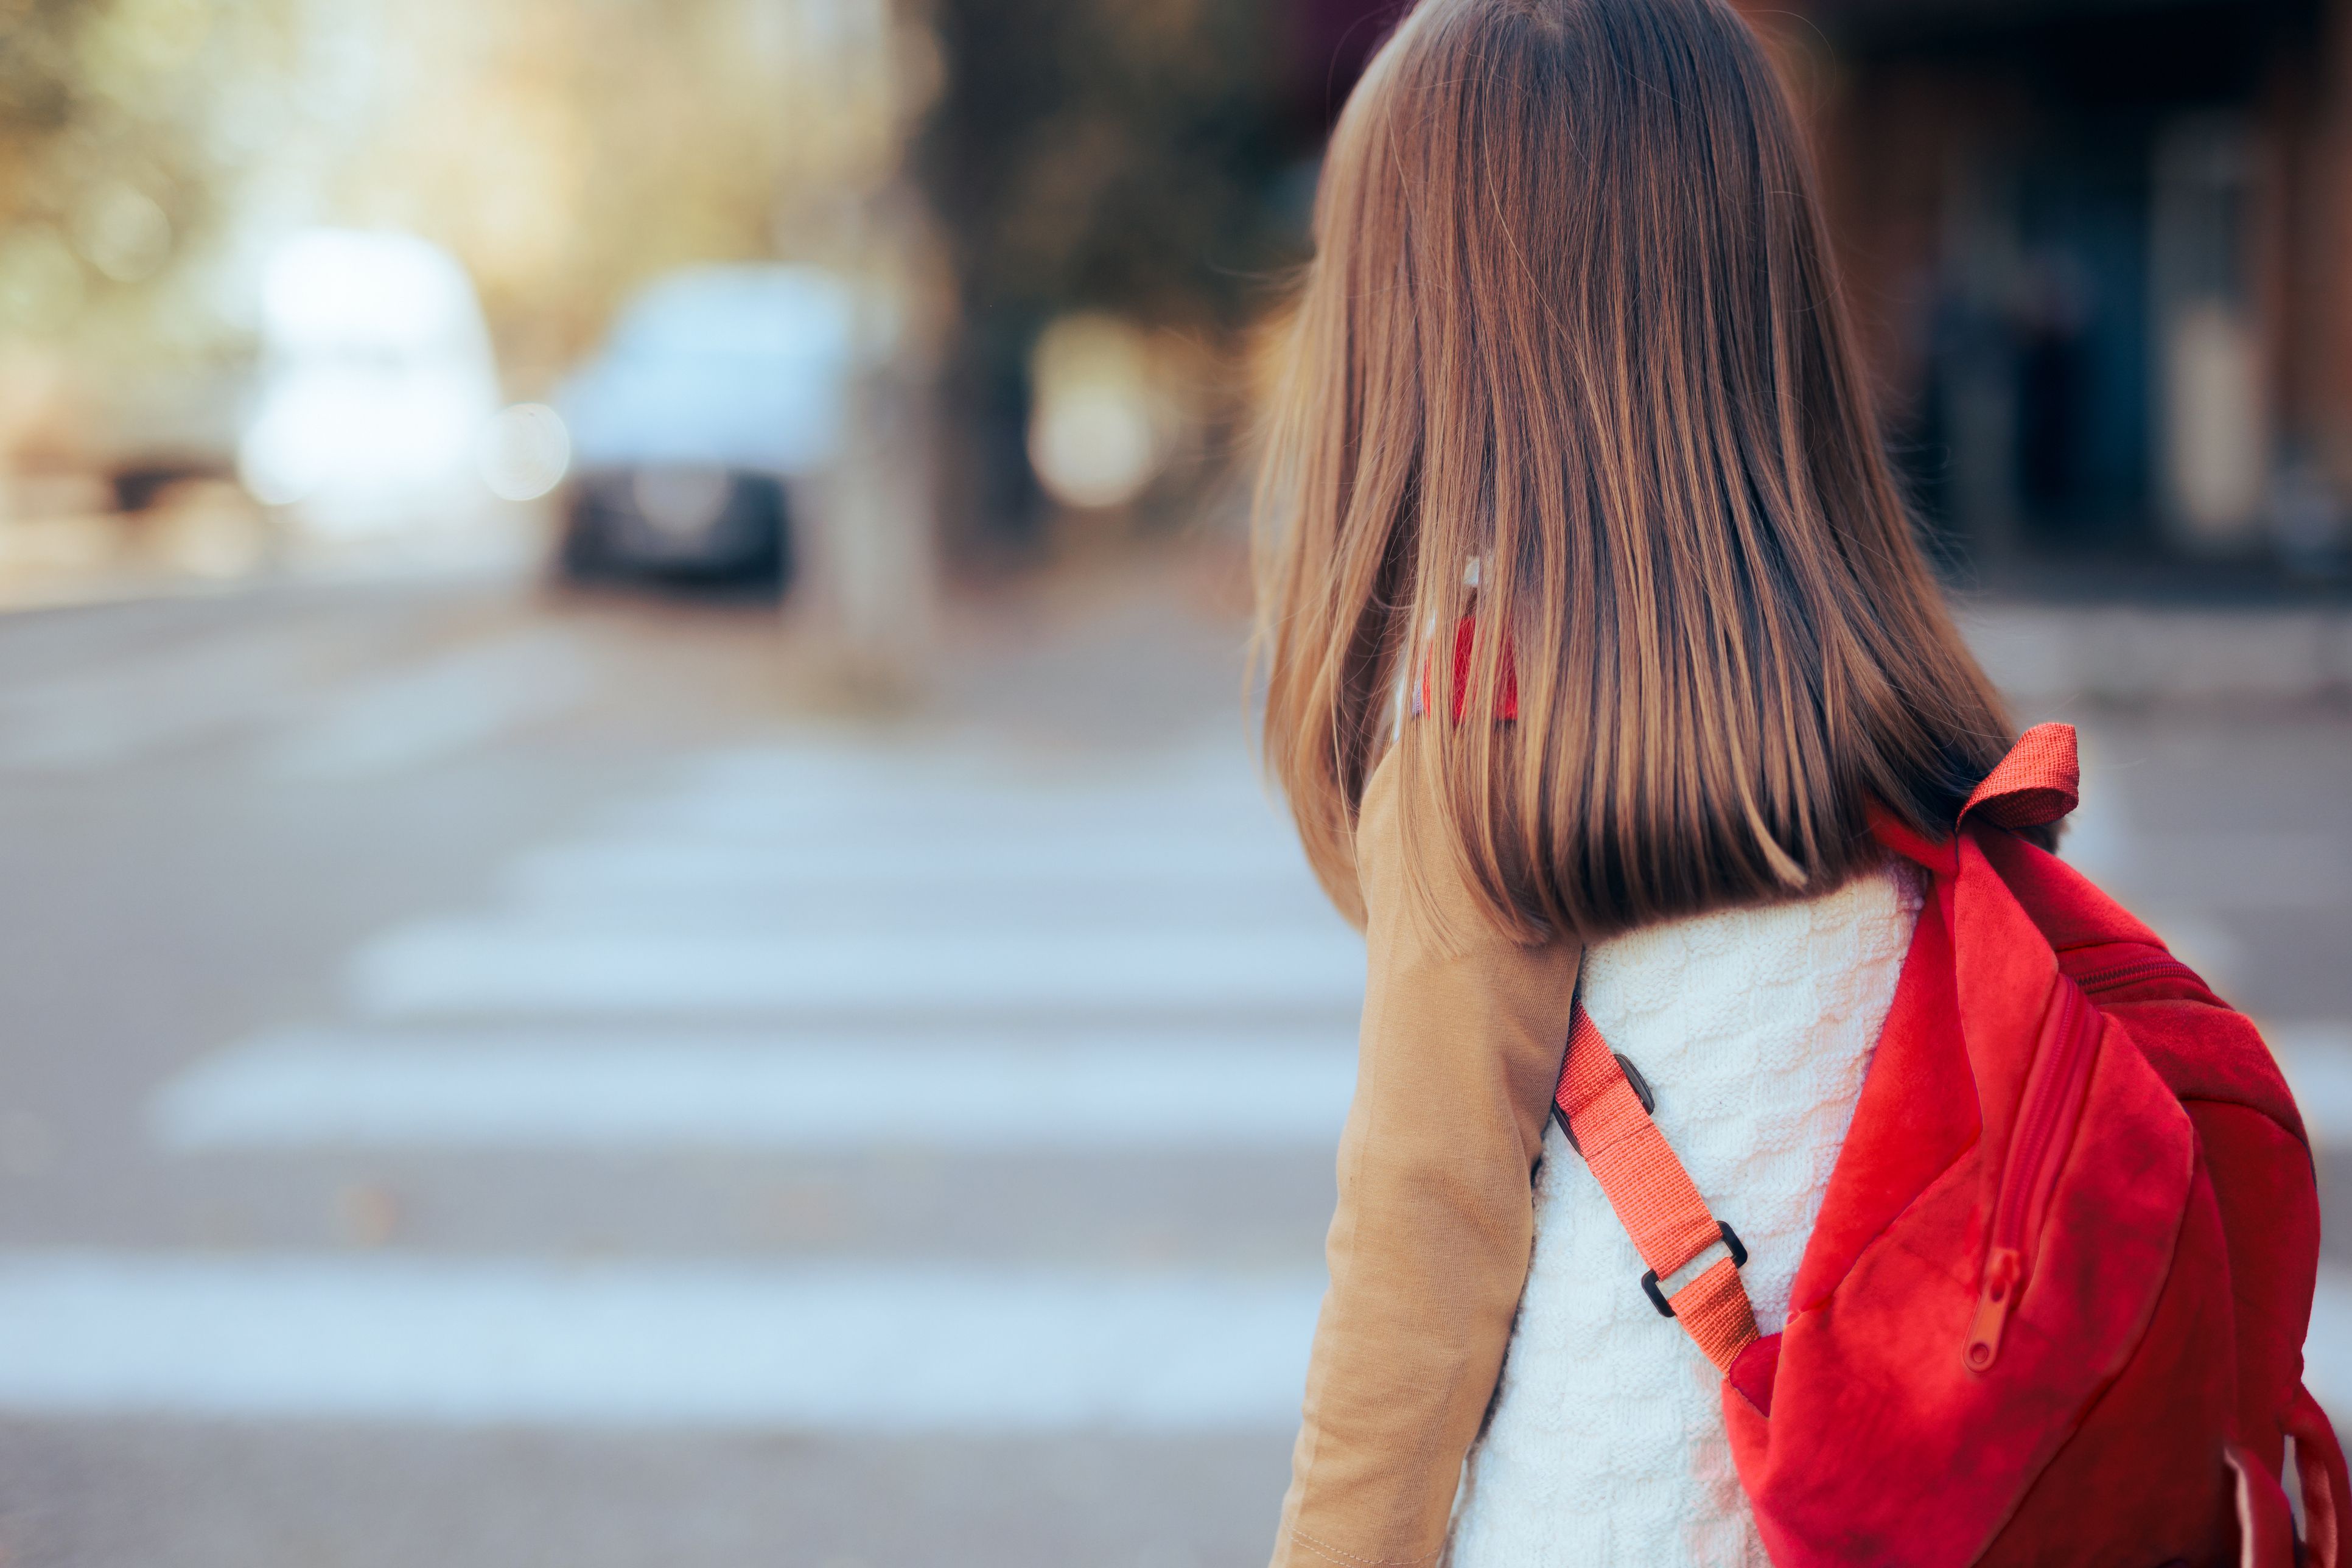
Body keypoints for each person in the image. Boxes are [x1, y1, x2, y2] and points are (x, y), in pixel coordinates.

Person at [1250, 2, 2047, 1563]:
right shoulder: (1889, 691)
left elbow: (1417, 1272)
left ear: (1426, 318)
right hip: (1883, 1512)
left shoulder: (1486, 723)